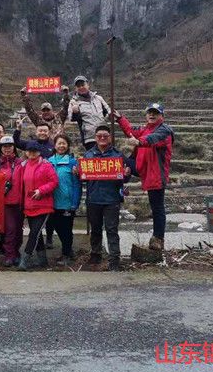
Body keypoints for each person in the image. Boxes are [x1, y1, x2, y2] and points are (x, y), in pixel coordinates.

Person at [113, 103, 173, 251]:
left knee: (157, 207)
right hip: (142, 168)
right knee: (118, 157)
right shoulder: (145, 128)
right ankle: (124, 179)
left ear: (161, 116)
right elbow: (130, 131)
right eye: (149, 112)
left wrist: (139, 141)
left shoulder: (164, 130)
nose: (151, 115)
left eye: (155, 113)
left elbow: (152, 139)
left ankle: (158, 238)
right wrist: (120, 118)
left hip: (155, 174)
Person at [82, 125, 126, 271]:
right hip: (93, 198)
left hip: (111, 199)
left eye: (105, 136)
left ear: (110, 137)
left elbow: (124, 178)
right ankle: (95, 255)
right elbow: (83, 178)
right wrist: (77, 172)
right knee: (95, 229)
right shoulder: (88, 155)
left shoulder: (118, 155)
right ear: (95, 138)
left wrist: (126, 174)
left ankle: (114, 259)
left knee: (112, 230)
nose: (102, 138)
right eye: (99, 136)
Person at [18, 141, 59, 271]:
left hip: (43, 205)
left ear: (39, 152)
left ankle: (25, 259)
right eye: (29, 151)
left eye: (34, 151)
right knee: (37, 234)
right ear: (26, 152)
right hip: (29, 205)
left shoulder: (46, 165)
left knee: (34, 232)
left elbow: (54, 181)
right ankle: (43, 260)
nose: (32, 153)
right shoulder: (24, 165)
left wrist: (41, 190)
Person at [47, 135, 82, 265]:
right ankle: (68, 250)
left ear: (67, 146)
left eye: (64, 143)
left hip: (67, 202)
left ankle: (66, 254)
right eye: (59, 143)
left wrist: (75, 203)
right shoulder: (48, 162)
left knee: (66, 229)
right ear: (54, 145)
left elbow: (77, 184)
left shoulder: (73, 162)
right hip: (52, 202)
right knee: (57, 227)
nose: (61, 146)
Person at [0, 136, 24, 267]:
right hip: (5, 203)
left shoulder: (21, 163)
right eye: (4, 146)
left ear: (14, 147)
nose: (7, 149)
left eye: (10, 146)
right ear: (1, 148)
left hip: (19, 202)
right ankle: (9, 255)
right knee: (10, 229)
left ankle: (16, 253)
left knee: (18, 230)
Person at [68, 75, 110, 150]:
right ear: (75, 88)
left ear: (88, 85)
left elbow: (108, 112)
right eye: (78, 86)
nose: (81, 87)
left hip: (104, 136)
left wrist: (105, 123)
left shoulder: (98, 98)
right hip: (90, 139)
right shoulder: (74, 102)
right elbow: (71, 118)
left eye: (83, 85)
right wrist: (76, 112)